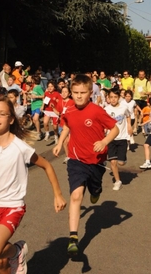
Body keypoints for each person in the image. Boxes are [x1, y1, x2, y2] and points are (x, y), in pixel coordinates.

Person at [0, 96, 66, 274]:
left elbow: (47, 165)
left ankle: (17, 250)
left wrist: (58, 194)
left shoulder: (20, 147)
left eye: (2, 114)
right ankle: (13, 258)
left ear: (11, 119)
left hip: (13, 206)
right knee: (0, 261)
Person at [53, 74, 119, 256]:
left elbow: (115, 128)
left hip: (97, 160)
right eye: (75, 93)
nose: (79, 96)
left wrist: (105, 141)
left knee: (94, 189)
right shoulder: (69, 109)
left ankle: (96, 190)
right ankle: (73, 237)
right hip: (76, 159)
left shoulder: (96, 111)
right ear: (70, 93)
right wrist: (60, 143)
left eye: (83, 92)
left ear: (91, 92)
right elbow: (67, 125)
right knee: (76, 195)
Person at [105, 88, 131, 190]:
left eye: (115, 97)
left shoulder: (124, 108)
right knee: (113, 162)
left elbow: (128, 116)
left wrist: (129, 125)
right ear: (108, 98)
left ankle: (123, 158)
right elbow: (102, 121)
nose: (113, 99)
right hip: (110, 138)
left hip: (122, 137)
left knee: (121, 162)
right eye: (111, 97)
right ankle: (117, 181)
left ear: (119, 98)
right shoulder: (106, 109)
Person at [52, 86, 75, 163]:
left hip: (70, 124)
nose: (64, 93)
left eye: (66, 92)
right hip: (62, 124)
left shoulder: (72, 102)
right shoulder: (59, 102)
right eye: (62, 92)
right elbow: (59, 113)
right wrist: (53, 108)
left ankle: (73, 155)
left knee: (69, 141)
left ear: (69, 93)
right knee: (65, 141)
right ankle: (68, 156)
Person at [30, 75, 44, 140]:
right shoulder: (34, 87)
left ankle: (38, 133)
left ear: (34, 80)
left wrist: (36, 97)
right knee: (35, 120)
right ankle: (41, 132)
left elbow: (43, 95)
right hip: (33, 105)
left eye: (32, 79)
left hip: (38, 105)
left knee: (36, 119)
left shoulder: (38, 87)